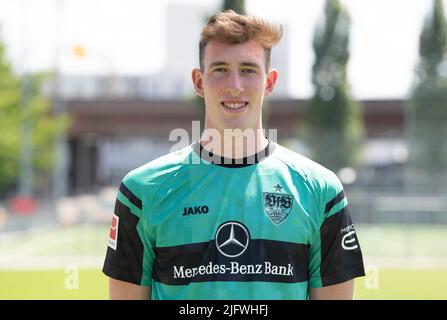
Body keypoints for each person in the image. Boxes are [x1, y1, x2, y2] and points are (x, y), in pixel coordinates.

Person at [102, 9, 365, 300]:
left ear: (270, 82)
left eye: (248, 70)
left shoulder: (320, 191)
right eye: (220, 69)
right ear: (199, 82)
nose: (235, 86)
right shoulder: (143, 192)